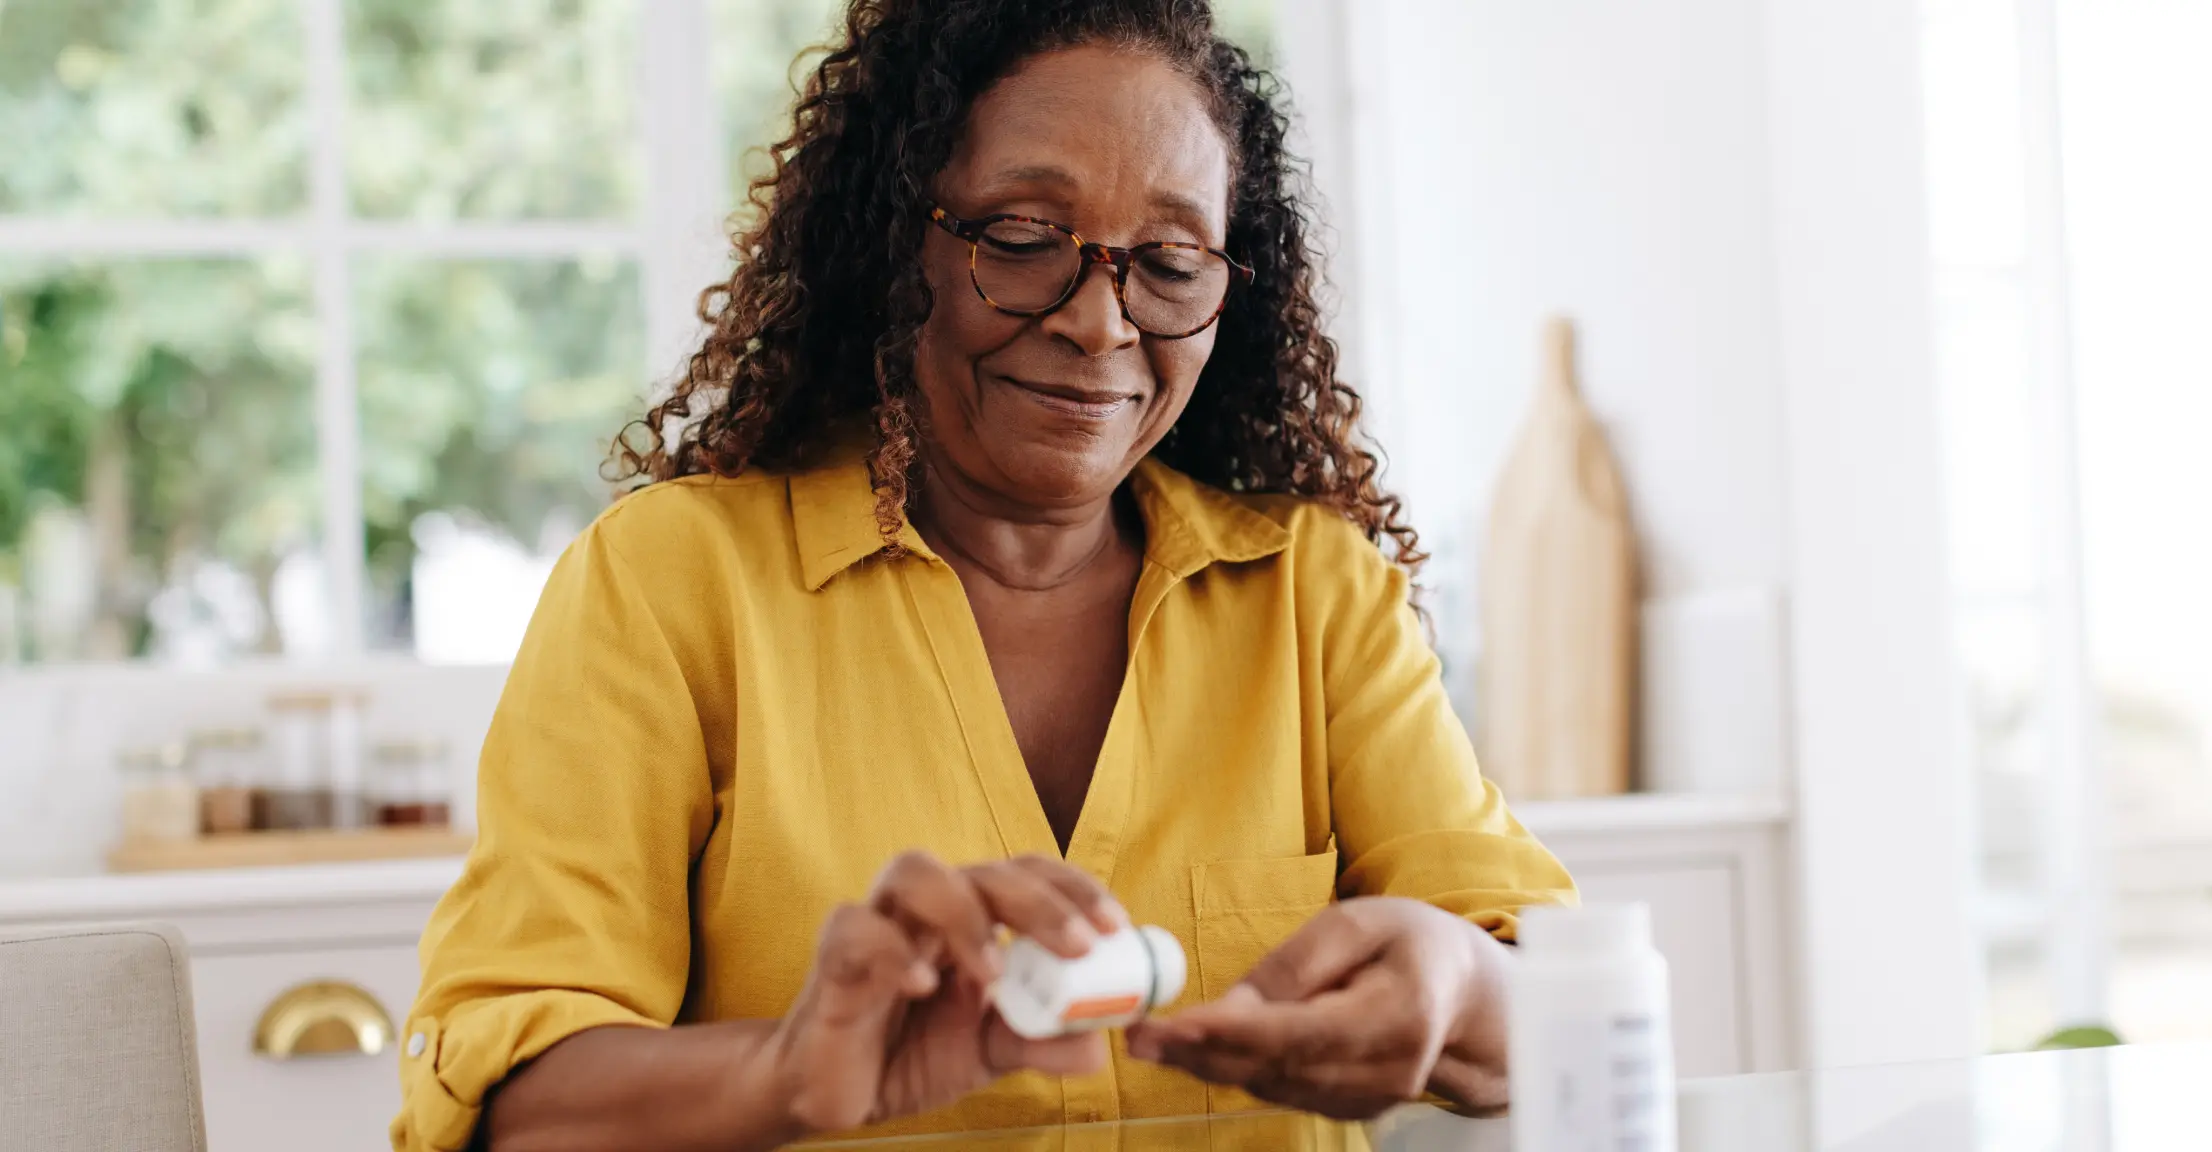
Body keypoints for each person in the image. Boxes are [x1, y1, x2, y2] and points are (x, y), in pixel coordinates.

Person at [390, 1, 1575, 1149]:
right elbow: (516, 1103)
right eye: (1021, 240)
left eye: (1167, 263)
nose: (1102, 324)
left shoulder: (1312, 593)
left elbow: (1557, 1004)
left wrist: (1458, 986)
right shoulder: (671, 584)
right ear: (895, 242)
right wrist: (791, 1070)